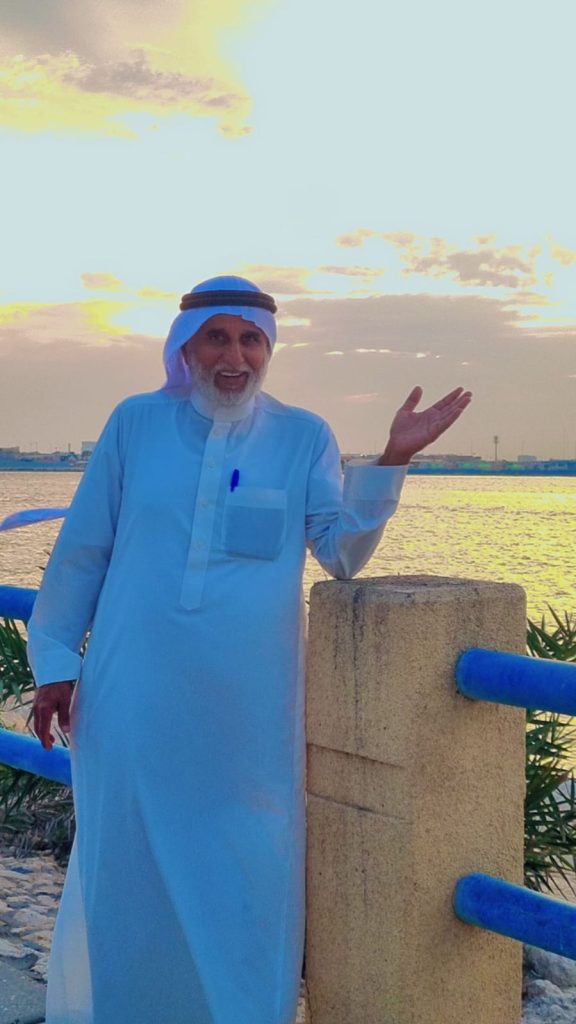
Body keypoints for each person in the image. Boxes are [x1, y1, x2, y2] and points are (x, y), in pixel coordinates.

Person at [28, 275, 472, 1024]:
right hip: (133, 695)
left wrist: (394, 457)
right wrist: (56, 665)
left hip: (248, 714)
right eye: (217, 338)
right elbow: (82, 551)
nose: (234, 357)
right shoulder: (135, 424)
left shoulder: (303, 437)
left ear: (269, 349)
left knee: (247, 872)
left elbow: (340, 551)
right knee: (128, 869)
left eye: (250, 340)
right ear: (185, 348)